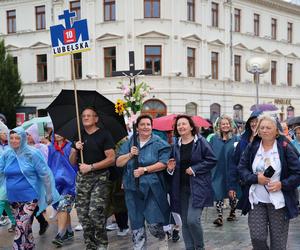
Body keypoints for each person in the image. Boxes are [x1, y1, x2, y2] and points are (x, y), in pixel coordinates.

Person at [238, 114, 300, 250]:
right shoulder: (252, 147)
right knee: (257, 238)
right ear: (258, 130)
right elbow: (241, 169)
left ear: (276, 131)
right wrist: (255, 178)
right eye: (262, 127)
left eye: (268, 127)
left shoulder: (285, 147)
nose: (265, 130)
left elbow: (297, 173)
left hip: (278, 202)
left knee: (278, 244)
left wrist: (282, 184)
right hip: (257, 201)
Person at [116, 114, 171, 250]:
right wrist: (130, 155)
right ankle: (139, 247)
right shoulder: (130, 143)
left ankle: (162, 240)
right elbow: (118, 163)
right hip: (132, 188)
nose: (145, 127)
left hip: (152, 188)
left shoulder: (159, 142)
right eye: (142, 124)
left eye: (148, 124)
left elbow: (163, 163)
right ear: (137, 127)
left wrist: (145, 170)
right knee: (136, 221)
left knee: (154, 221)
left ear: (152, 127)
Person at [0, 126, 60, 249]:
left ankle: (17, 247)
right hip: (13, 197)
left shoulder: (32, 153)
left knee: (20, 227)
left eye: (17, 138)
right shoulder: (7, 154)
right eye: (11, 138)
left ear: (23, 138)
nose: (14, 140)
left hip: (30, 196)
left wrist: (49, 193)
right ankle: (30, 246)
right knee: (25, 227)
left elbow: (45, 174)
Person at [166, 115, 217, 250]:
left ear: (191, 127)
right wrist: (170, 169)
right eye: (178, 125)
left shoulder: (200, 142)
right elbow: (172, 164)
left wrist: (195, 169)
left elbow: (212, 160)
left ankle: (199, 247)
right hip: (180, 188)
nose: (181, 127)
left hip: (198, 187)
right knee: (185, 223)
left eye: (184, 124)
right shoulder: (175, 145)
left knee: (192, 220)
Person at [69, 107, 115, 250]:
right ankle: (90, 246)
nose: (86, 118)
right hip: (82, 180)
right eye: (83, 116)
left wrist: (91, 167)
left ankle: (102, 244)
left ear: (96, 119)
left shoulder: (104, 135)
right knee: (84, 217)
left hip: (100, 178)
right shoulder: (79, 135)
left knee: (95, 213)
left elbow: (112, 159)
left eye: (89, 116)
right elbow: (71, 161)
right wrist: (76, 149)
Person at [209, 114, 239, 226]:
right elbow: (208, 153)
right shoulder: (213, 139)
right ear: (219, 126)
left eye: (227, 124)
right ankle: (220, 216)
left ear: (230, 125)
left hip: (231, 169)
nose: (225, 126)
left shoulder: (236, 138)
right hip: (217, 170)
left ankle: (232, 212)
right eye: (223, 124)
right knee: (218, 191)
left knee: (232, 193)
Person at [228, 111, 262, 210]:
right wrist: (232, 186)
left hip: (265, 184)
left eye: (257, 121)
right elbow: (234, 164)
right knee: (254, 216)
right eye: (252, 121)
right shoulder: (243, 141)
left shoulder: (269, 140)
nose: (254, 123)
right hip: (247, 184)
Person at [48, 133, 78, 247]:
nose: (58, 135)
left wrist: (75, 150)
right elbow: (48, 165)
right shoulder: (51, 147)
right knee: (62, 209)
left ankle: (59, 235)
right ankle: (69, 231)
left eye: (60, 132)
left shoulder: (72, 146)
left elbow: (73, 163)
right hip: (56, 184)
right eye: (55, 133)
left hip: (70, 184)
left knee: (63, 207)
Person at [26, 124, 50, 235]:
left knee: (32, 204)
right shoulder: (24, 147)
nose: (27, 137)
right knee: (30, 205)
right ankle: (42, 222)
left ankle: (27, 230)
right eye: (26, 135)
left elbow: (44, 163)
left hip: (38, 180)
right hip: (27, 180)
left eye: (29, 135)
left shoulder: (42, 147)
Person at [0, 122, 16, 232]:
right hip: (1, 178)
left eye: (6, 133)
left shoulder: (11, 146)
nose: (5, 134)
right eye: (3, 132)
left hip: (8, 178)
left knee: (1, 200)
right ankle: (14, 222)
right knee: (5, 202)